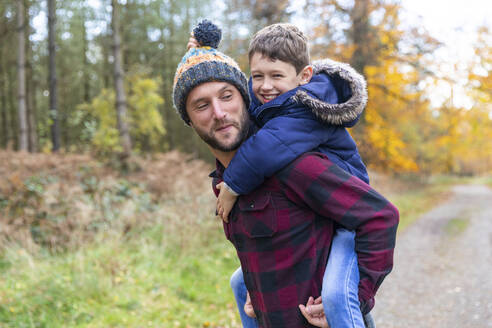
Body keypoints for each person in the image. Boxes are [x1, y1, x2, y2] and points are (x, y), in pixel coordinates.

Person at [173, 20, 399, 328]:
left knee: (336, 293)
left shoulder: (294, 161)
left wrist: (352, 299)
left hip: (332, 291)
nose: (219, 112)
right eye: (201, 105)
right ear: (188, 120)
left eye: (227, 96)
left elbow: (380, 216)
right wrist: (259, 292)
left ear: (243, 101)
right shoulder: (227, 180)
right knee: (239, 284)